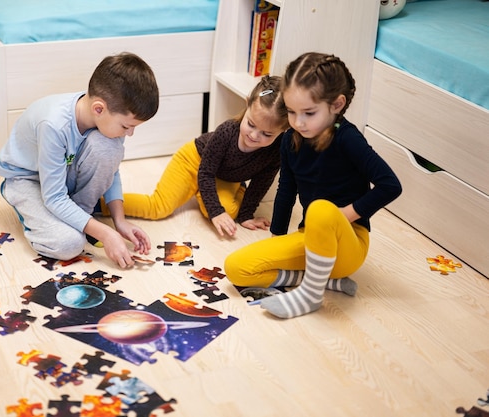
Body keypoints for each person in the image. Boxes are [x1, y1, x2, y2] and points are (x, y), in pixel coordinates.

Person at [224, 52, 402, 319]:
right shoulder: (290, 140)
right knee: (236, 267)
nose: (298, 122)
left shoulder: (347, 138)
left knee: (320, 209)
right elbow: (286, 190)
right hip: (310, 238)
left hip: (348, 243)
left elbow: (391, 185)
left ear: (336, 105)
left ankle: (311, 295)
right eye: (292, 112)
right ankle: (322, 281)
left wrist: (344, 215)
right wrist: (277, 241)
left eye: (308, 113)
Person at [0, 52, 159, 269]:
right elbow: (53, 197)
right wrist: (105, 234)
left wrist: (119, 222)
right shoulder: (53, 125)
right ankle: (37, 210)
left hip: (62, 175)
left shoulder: (102, 117)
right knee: (69, 244)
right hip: (28, 180)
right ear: (98, 109)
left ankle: (80, 217)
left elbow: (111, 169)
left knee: (108, 146)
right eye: (126, 126)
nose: (129, 134)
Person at [119, 75, 288, 237]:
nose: (254, 135)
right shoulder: (226, 132)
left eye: (267, 134)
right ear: (247, 104)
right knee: (158, 208)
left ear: (284, 130)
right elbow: (205, 171)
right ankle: (102, 204)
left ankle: (204, 191)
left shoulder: (276, 151)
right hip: (193, 160)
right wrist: (215, 212)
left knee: (229, 213)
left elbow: (261, 183)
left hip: (223, 177)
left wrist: (246, 215)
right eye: (251, 124)